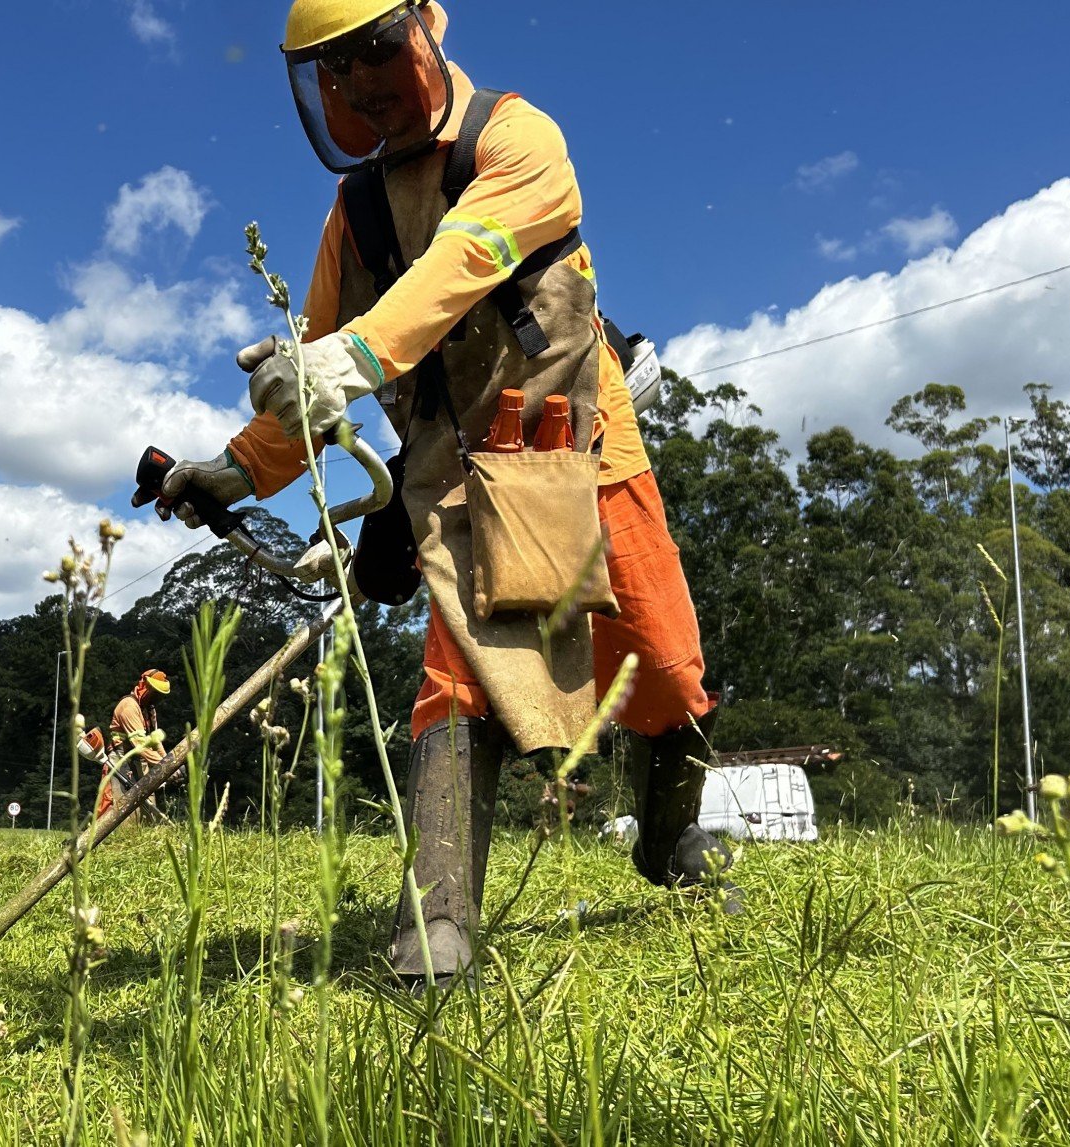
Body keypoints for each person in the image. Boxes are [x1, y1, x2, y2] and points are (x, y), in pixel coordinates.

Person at [158, 0, 735, 983]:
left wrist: (357, 351)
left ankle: (669, 840)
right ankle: (437, 928)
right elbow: (315, 362)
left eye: (376, 50)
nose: (360, 83)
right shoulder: (358, 212)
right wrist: (238, 468)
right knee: (459, 686)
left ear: (429, 23)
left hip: (586, 450)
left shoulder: (518, 138)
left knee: (669, 669)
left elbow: (471, 259)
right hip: (460, 475)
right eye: (333, 72)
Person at [94, 669, 169, 820]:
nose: (156, 698)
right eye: (154, 693)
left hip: (139, 762)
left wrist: (170, 762)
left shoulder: (149, 710)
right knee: (120, 814)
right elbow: (140, 744)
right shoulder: (129, 706)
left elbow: (155, 740)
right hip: (121, 761)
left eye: (159, 696)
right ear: (144, 686)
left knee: (148, 815)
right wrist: (166, 766)